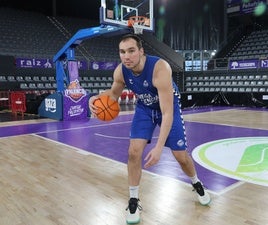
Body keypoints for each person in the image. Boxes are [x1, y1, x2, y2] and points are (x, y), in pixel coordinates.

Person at [88, 34, 211, 224]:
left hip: (167, 108)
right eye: (122, 52)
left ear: (141, 51)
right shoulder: (121, 71)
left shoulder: (160, 68)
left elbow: (167, 113)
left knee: (180, 157)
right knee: (133, 153)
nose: (126, 56)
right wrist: (94, 99)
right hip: (144, 108)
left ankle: (196, 182)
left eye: (131, 51)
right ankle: (133, 199)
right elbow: (112, 95)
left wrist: (159, 147)